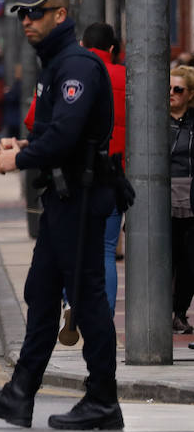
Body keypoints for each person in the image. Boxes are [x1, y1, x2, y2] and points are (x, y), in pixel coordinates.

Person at [0, 0, 122, 430]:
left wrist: (21, 157)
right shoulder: (56, 64)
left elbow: (67, 137)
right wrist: (26, 141)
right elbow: (54, 132)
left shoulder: (75, 65)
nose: (26, 20)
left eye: (36, 12)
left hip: (81, 198)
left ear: (61, 14)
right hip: (63, 198)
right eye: (22, 13)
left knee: (88, 302)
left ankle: (103, 401)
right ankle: (20, 395)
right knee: (40, 293)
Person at [82, 22, 126, 314]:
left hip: (80, 172)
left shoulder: (74, 73)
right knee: (107, 249)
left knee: (75, 244)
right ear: (113, 49)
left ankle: (72, 304)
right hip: (116, 174)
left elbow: (35, 120)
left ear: (84, 46)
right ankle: (105, 316)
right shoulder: (128, 77)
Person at [169, 66, 194, 338]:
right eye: (168, 89)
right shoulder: (156, 121)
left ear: (190, 94)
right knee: (167, 260)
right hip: (164, 196)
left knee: (189, 262)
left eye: (179, 89)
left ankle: (179, 313)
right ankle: (162, 312)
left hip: (191, 195)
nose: (172, 94)